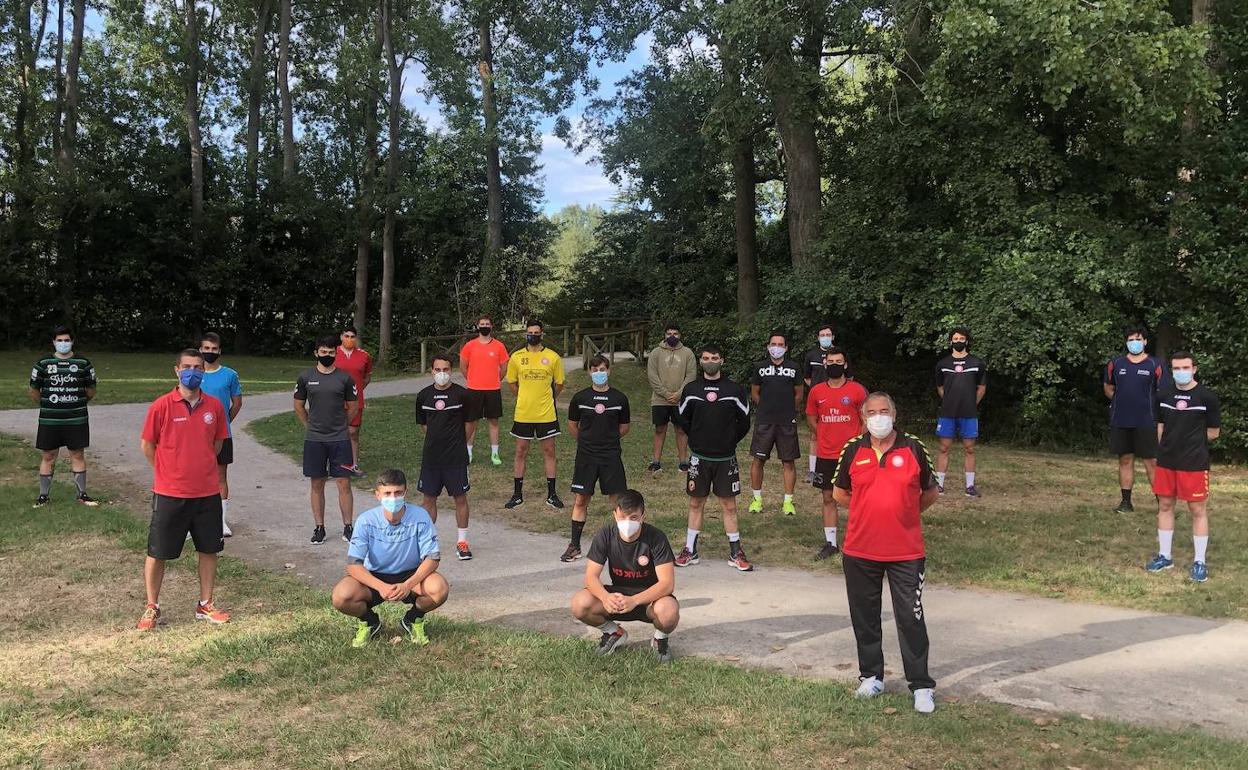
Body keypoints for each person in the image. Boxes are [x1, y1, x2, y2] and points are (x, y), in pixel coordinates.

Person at [832, 392, 939, 713]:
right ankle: (871, 676)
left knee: (910, 618)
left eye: (884, 411)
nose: (878, 417)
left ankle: (921, 685)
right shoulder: (853, 449)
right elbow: (839, 493)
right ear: (863, 418)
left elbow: (930, 492)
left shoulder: (914, 448)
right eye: (871, 412)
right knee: (865, 616)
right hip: (860, 549)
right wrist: (868, 511)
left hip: (906, 551)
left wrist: (904, 513)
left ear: (894, 414)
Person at [136, 349, 232, 630]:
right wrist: (168, 471)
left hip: (206, 492)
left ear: (204, 371)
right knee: (158, 551)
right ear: (176, 370)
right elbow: (148, 446)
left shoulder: (214, 407)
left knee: (209, 549)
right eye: (187, 367)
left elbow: (216, 445)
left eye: (198, 367)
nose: (193, 372)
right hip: (170, 492)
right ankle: (152, 606)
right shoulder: (161, 406)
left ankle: (205, 604)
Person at [331, 469, 449, 647]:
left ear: (405, 493)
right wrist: (381, 587)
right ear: (377, 495)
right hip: (375, 577)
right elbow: (353, 565)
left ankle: (413, 619)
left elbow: (432, 558)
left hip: (411, 576)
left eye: (398, 493)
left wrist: (407, 585)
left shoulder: (421, 516)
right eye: (387, 493)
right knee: (341, 597)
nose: (393, 498)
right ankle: (369, 621)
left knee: (439, 589)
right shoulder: (366, 520)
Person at [571, 489, 678, 662]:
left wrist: (635, 600)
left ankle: (660, 639)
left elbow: (667, 584)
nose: (627, 523)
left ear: (643, 516)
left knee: (669, 611)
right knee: (579, 603)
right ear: (615, 515)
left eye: (634, 518)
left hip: (649, 600)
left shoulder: (656, 537)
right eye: (623, 517)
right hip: (617, 597)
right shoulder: (605, 535)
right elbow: (590, 577)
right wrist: (605, 597)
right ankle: (613, 632)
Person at [674, 344, 754, 571]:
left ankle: (735, 552)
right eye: (707, 358)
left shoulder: (735, 390)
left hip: (725, 458)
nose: (711, 361)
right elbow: (682, 419)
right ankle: (690, 549)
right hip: (699, 457)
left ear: (722, 361)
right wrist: (698, 439)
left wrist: (728, 441)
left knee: (729, 505)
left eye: (715, 357)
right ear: (700, 361)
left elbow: (744, 422)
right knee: (695, 502)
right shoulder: (691, 390)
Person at [1146, 352, 1220, 583]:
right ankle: (1165, 556)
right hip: (1167, 461)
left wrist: (1191, 444)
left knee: (1197, 511)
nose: (1181, 371)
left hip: (1194, 464)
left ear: (1194, 369)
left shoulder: (1207, 397)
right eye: (1176, 368)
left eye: (1185, 367)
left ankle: (1199, 561)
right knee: (1165, 506)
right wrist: (1165, 449)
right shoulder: (1163, 394)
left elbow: (1213, 433)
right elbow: (1161, 426)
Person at [562, 355, 631, 563]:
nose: (599, 373)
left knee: (617, 501)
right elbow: (573, 425)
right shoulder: (580, 398)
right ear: (589, 372)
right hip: (586, 456)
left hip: (610, 456)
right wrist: (586, 442)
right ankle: (574, 546)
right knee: (581, 499)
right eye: (594, 369)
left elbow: (624, 428)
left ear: (609, 371)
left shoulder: (619, 399)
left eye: (602, 369)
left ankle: (623, 548)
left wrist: (606, 441)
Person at [804, 347, 868, 560]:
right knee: (828, 497)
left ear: (845, 364)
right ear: (825, 364)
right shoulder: (816, 391)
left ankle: (858, 540)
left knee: (856, 497)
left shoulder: (858, 390)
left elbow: (866, 419)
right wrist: (823, 434)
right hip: (826, 454)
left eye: (838, 361)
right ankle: (831, 543)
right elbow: (812, 418)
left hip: (852, 454)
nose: (834, 364)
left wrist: (858, 442)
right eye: (830, 361)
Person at [295, 336, 359, 544]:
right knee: (317, 483)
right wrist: (309, 425)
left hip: (340, 439)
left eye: (331, 352)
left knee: (344, 483)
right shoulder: (305, 377)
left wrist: (341, 426)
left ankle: (348, 527)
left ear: (336, 353)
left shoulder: (345, 378)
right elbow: (298, 406)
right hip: (315, 440)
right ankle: (319, 527)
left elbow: (354, 406)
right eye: (323, 352)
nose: (327, 356)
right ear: (316, 353)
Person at [29, 325, 98, 507]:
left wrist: (76, 403)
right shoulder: (43, 364)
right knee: (48, 456)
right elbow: (34, 390)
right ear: (53, 342)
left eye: (66, 340)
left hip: (77, 419)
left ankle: (82, 495)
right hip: (50, 420)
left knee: (77, 454)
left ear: (72, 341)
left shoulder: (84, 364)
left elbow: (91, 390)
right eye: (59, 340)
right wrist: (47, 405)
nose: (63, 343)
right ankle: (43, 496)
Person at [415, 355, 474, 561]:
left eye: (446, 369)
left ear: (452, 370)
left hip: (456, 458)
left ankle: (462, 542)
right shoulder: (423, 396)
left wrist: (457, 443)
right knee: (429, 499)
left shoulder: (462, 395)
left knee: (460, 498)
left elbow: (470, 424)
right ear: (431, 371)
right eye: (438, 369)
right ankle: (428, 542)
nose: (442, 373)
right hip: (431, 458)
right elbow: (424, 425)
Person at [504, 320, 565, 510]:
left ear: (542, 334)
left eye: (536, 332)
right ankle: (517, 494)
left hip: (546, 414)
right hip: (523, 413)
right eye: (530, 332)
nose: (533, 335)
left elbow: (559, 384)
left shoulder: (553, 357)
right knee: (521, 451)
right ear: (525, 334)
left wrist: (547, 398)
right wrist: (524, 397)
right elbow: (512, 383)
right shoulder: (516, 357)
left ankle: (552, 494)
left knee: (549, 452)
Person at [1103, 328, 1163, 513]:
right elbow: (1108, 388)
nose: (1134, 342)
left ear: (1145, 341)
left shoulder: (1155, 364)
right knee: (1125, 460)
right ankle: (1126, 503)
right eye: (1130, 339)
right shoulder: (1115, 363)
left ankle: (1163, 505)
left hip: (1147, 421)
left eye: (1138, 339)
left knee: (1151, 462)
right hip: (1121, 420)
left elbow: (1163, 393)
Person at [748, 332, 804, 516]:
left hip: (786, 421)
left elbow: (799, 394)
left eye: (781, 344)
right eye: (774, 343)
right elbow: (755, 392)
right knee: (758, 460)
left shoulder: (794, 368)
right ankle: (756, 500)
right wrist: (765, 407)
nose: (777, 347)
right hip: (765, 421)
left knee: (788, 462)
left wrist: (788, 410)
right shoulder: (760, 367)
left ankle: (788, 502)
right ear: (768, 346)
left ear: (786, 348)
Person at [198, 332, 243, 537]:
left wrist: (224, 422)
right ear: (200, 350)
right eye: (206, 349)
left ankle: (221, 520)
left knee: (220, 476)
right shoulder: (195, 373)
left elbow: (237, 403)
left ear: (220, 351)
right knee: (195, 475)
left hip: (221, 435)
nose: (210, 352)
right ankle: (195, 521)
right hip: (196, 435)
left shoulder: (230, 375)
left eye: (214, 349)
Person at [934, 326, 986, 498]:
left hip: (969, 413)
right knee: (944, 448)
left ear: (967, 340)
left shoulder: (977, 363)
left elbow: (981, 388)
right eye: (955, 339)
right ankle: (939, 485)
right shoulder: (942, 364)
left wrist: (971, 404)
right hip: (948, 412)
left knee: (969, 448)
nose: (958, 342)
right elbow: (940, 388)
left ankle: (970, 487)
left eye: (961, 339)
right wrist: (950, 402)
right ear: (951, 341)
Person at [460, 314, 510, 466]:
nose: (484, 326)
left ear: (491, 326)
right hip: (473, 389)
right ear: (477, 326)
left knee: (493, 421)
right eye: (482, 323)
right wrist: (473, 379)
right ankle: (468, 453)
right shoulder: (470, 345)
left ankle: (495, 454)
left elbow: (504, 368)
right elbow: (463, 366)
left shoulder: (499, 346)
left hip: (493, 389)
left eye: (487, 323)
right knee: (471, 422)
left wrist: (494, 379)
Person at [646, 322, 696, 474]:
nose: (672, 336)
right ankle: (655, 462)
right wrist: (666, 394)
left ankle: (683, 462)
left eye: (675, 334)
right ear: (664, 335)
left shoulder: (688, 353)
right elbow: (652, 375)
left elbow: (691, 375)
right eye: (669, 333)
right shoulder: (656, 352)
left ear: (680, 335)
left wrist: (679, 394)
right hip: (660, 399)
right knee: (660, 429)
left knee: (681, 430)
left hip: (681, 400)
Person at [333, 325, 373, 478]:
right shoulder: (332, 352)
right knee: (334, 431)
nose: (349, 339)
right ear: (341, 337)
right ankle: (334, 464)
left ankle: (353, 465)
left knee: (353, 432)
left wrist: (357, 390)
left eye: (352, 336)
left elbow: (367, 377)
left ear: (356, 338)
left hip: (355, 401)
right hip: (335, 399)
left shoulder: (364, 355)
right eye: (346, 336)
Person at [802, 324, 838, 482]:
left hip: (837, 400)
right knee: (815, 435)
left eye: (828, 334)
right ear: (818, 338)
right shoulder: (811, 355)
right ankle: (812, 471)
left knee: (837, 434)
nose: (825, 337)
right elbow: (807, 377)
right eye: (822, 335)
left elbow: (849, 377)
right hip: (818, 401)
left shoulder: (839, 354)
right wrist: (819, 391)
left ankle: (839, 469)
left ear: (833, 337)